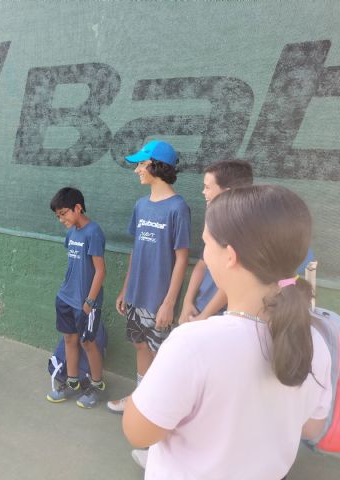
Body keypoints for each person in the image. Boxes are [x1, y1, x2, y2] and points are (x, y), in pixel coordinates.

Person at [122, 185, 332, 479]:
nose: (204, 251)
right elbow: (311, 426)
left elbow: (137, 432)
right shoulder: (317, 342)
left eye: (206, 243)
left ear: (230, 256)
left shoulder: (192, 345)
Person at [107, 140, 190, 413]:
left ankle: (156, 411)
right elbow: (137, 250)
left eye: (141, 164)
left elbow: (181, 258)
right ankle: (140, 402)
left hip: (159, 300)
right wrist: (125, 289)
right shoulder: (141, 205)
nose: (137, 170)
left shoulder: (178, 208)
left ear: (157, 165)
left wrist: (168, 303)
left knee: (160, 354)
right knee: (140, 345)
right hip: (136, 295)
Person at [46, 187, 106, 408]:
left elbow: (100, 271)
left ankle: (96, 385)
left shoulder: (94, 232)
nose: (61, 219)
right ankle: (72, 383)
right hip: (65, 299)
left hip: (86, 303)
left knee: (87, 343)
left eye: (64, 213)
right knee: (70, 340)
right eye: (58, 215)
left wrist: (89, 302)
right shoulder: (71, 232)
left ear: (77, 208)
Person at [178, 160, 253, 325]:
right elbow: (201, 264)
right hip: (200, 307)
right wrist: (187, 302)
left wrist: (203, 317)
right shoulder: (214, 219)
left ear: (227, 193)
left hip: (226, 316)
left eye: (208, 187)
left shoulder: (245, 229)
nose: (203, 192)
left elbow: (231, 282)